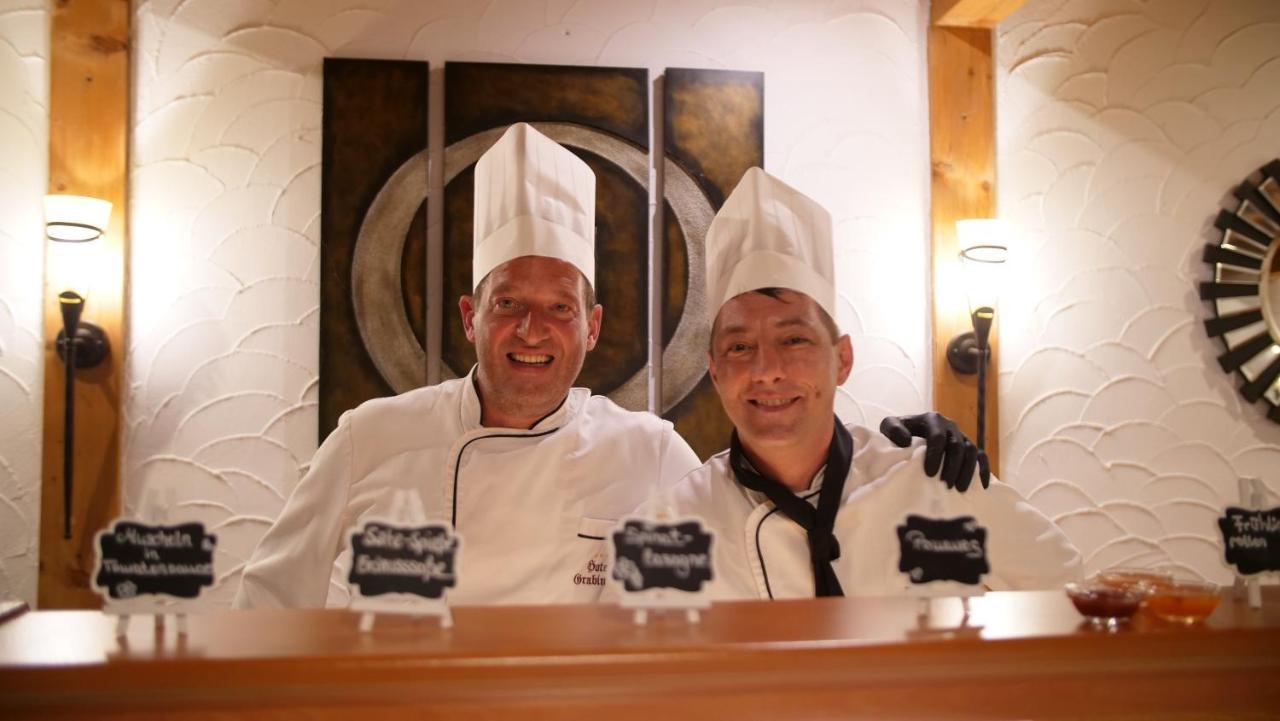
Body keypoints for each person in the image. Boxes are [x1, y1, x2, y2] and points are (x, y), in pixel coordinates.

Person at [235, 125, 981, 608]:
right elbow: (267, 604)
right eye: (507, 304)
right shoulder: (370, 437)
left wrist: (898, 445)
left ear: (591, 328)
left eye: (560, 307)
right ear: (470, 317)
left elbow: (771, 505)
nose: (533, 329)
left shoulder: (647, 450)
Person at [636, 168, 1081, 600]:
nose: (767, 369)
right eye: (739, 347)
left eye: (794, 339)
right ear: (714, 371)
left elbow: (1071, 605)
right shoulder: (671, 527)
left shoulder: (938, 484)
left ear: (842, 358)